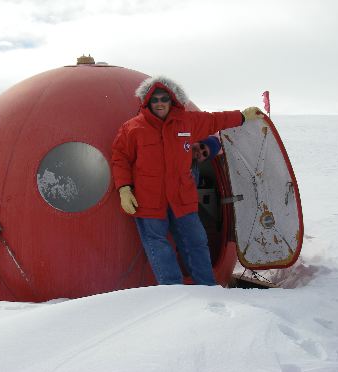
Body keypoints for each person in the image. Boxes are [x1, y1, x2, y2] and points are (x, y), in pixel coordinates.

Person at [111, 76, 263, 286]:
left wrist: (242, 117)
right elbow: (120, 158)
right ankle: (173, 291)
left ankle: (207, 287)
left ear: (172, 99)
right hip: (149, 200)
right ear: (147, 102)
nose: (160, 103)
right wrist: (124, 189)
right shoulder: (133, 128)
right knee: (158, 246)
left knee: (196, 242)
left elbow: (215, 120)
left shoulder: (187, 122)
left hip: (182, 198)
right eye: (154, 100)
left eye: (164, 98)